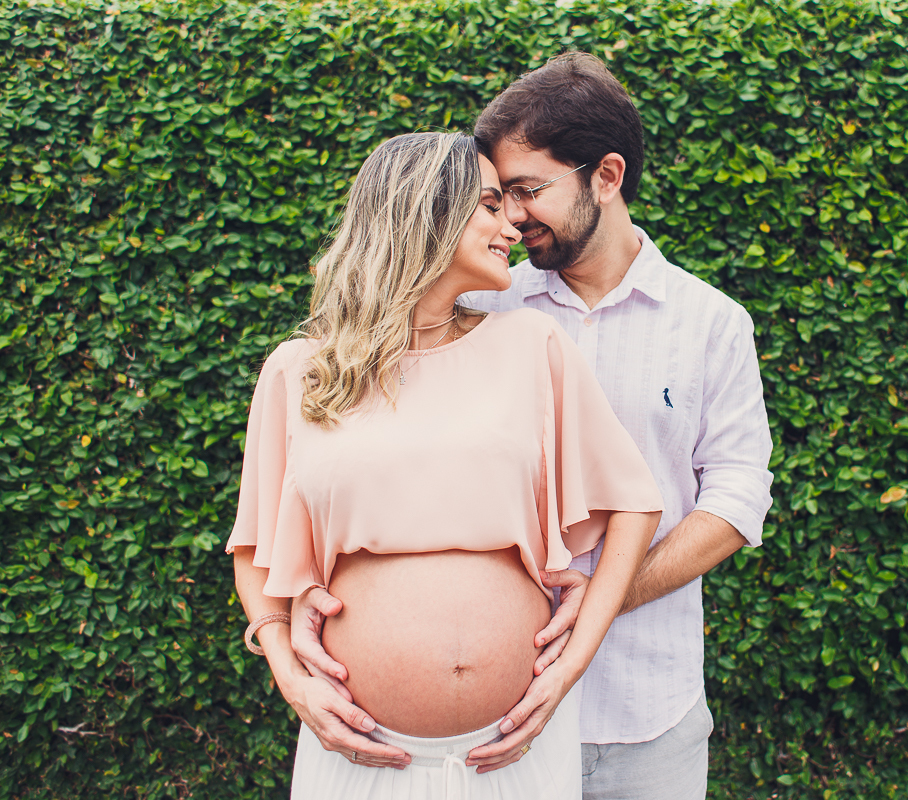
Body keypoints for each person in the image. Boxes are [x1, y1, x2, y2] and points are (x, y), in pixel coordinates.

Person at [294, 53, 774, 798]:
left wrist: (602, 598)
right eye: (499, 197)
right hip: (487, 735)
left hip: (645, 708)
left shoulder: (711, 322)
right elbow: (369, 469)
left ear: (606, 177)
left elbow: (737, 496)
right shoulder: (480, 301)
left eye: (527, 190)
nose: (512, 217)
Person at [226, 131, 663, 800]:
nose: (513, 224)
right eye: (489, 205)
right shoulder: (301, 370)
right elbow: (253, 547)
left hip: (516, 752)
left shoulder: (532, 345)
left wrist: (572, 662)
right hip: (359, 751)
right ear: (423, 212)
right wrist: (287, 672)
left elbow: (636, 502)